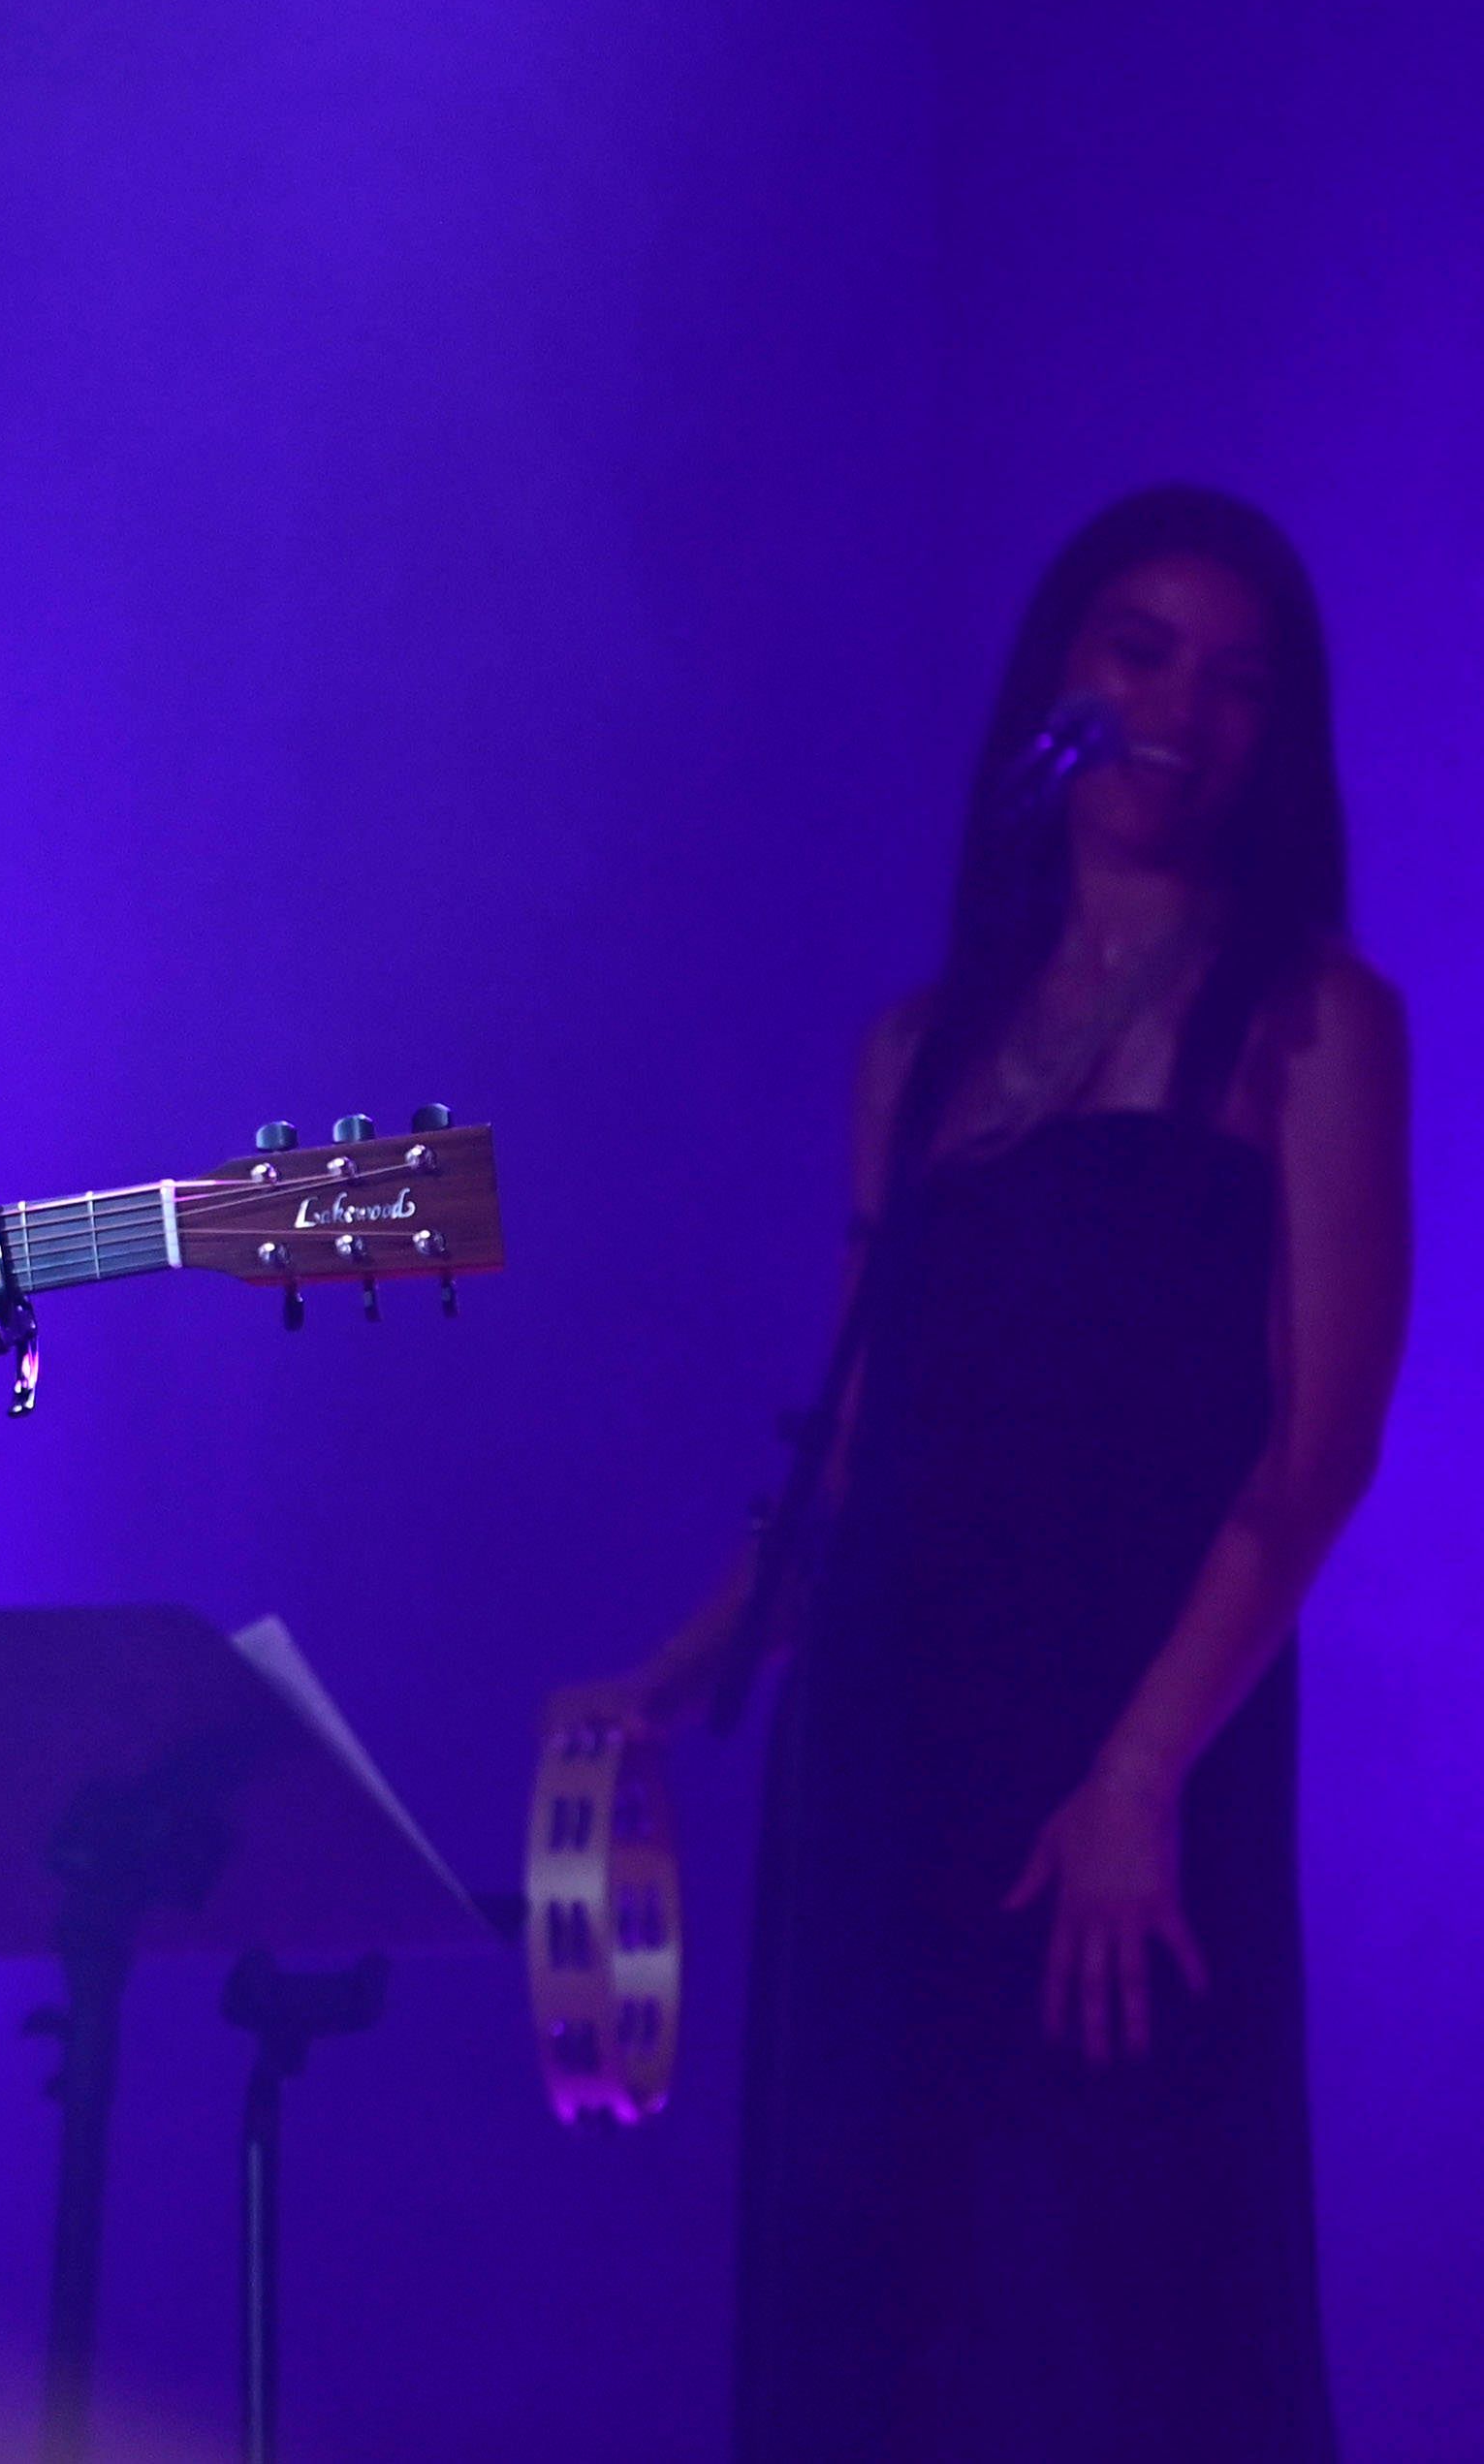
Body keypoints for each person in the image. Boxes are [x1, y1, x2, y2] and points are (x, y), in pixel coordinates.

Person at [547, 486, 1405, 2462]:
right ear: (1058, 676)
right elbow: (859, 1434)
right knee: (886, 2315)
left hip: (1129, 1748)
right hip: (894, 1750)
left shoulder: (1310, 1021)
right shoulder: (917, 1049)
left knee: (1129, 2305)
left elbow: (1318, 1444)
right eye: (1139, 646)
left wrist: (1134, 1772)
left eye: (1236, 676)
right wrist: (677, 1670)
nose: (1182, 700)